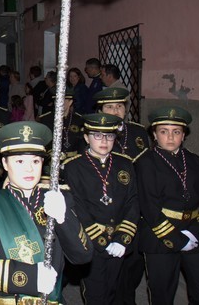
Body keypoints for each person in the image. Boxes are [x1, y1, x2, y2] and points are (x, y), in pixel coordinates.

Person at [0, 121, 94, 304]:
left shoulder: (58, 198)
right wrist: (30, 277)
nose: (29, 168)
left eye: (35, 160)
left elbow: (83, 256)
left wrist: (63, 217)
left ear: (43, 162)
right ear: (5, 163)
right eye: (19, 161)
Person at [134, 106, 199, 305]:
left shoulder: (195, 161)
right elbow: (149, 207)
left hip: (195, 232)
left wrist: (197, 233)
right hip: (160, 236)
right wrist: (177, 239)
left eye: (176, 132)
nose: (170, 137)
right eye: (164, 131)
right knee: (162, 295)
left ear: (183, 136)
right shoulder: (145, 163)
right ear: (155, 135)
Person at [62, 113, 139, 305]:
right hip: (91, 243)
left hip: (120, 242)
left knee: (114, 291)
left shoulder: (125, 163)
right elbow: (77, 207)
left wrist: (123, 239)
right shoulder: (73, 167)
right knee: (96, 295)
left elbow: (133, 201)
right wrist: (101, 240)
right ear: (86, 137)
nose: (104, 141)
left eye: (109, 135)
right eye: (97, 135)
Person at [91, 87, 148, 305]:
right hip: (108, 211)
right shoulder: (95, 135)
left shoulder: (139, 132)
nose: (115, 110)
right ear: (100, 109)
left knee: (133, 267)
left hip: (136, 209)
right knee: (107, 277)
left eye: (119, 106)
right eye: (109, 107)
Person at [38, 88, 84, 162]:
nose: (59, 103)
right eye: (57, 100)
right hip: (52, 160)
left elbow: (82, 144)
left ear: (70, 102)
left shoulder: (78, 120)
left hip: (73, 161)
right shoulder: (45, 119)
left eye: (63, 101)